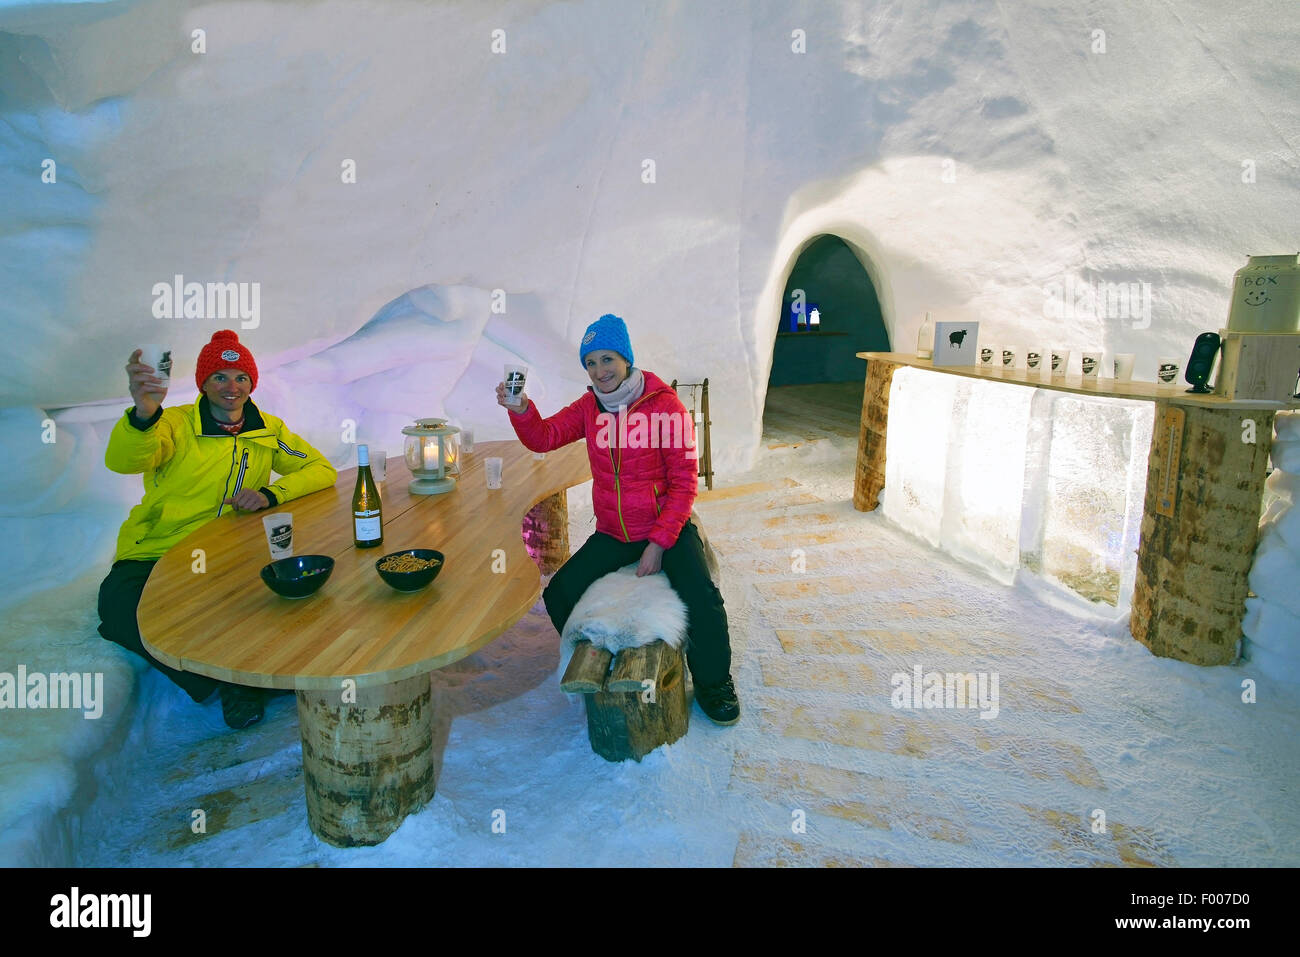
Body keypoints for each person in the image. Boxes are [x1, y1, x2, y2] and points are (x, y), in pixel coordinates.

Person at [497, 313, 739, 724]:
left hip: (669, 526)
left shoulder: (665, 407)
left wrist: (659, 544)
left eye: (607, 359)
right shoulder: (590, 407)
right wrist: (520, 408)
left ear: (626, 359)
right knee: (559, 593)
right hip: (614, 531)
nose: (599, 371)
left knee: (701, 595)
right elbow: (545, 436)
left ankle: (716, 683)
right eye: (590, 363)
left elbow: (684, 484)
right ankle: (596, 657)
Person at [98, 330, 338, 730]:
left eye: (241, 377)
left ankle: (277, 670)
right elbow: (123, 461)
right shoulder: (172, 424)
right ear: (203, 384)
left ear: (252, 383)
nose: (232, 387)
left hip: (232, 548)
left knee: (275, 601)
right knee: (119, 609)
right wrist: (143, 413)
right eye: (220, 377)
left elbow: (321, 470)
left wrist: (270, 493)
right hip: (158, 548)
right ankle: (226, 682)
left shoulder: (267, 429)